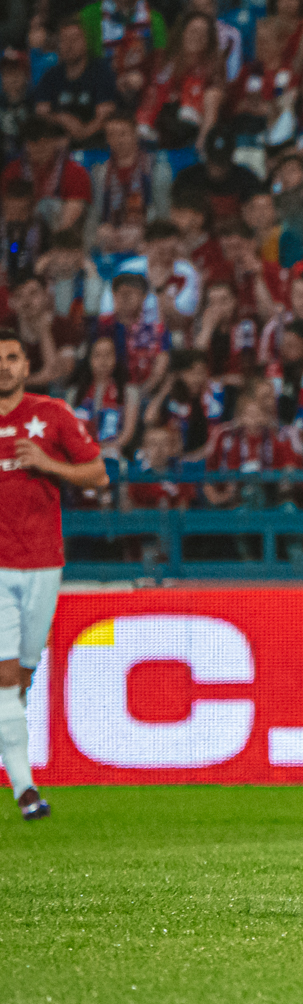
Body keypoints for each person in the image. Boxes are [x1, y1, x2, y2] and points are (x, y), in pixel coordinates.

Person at [0, 327, 107, 820]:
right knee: (5, 676)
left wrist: (48, 464)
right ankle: (26, 790)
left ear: (26, 366)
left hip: (43, 562)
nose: (4, 366)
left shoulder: (52, 415)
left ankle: (14, 758)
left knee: (21, 677)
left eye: (12, 357)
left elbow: (98, 473)